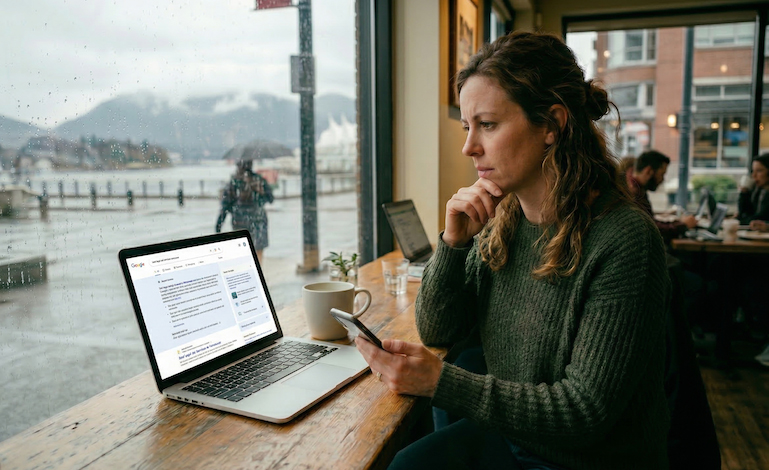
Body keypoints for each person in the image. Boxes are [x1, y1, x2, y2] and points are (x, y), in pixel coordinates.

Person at [354, 31, 670, 469]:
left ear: (552, 125)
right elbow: (438, 330)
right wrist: (453, 244)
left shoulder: (623, 240)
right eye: (468, 127)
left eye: (488, 124)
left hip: (578, 459)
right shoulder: (505, 220)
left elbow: (585, 412)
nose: (469, 147)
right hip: (517, 436)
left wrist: (442, 382)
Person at [626, 150, 697, 244]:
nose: (662, 180)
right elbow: (651, 229)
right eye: (662, 174)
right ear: (649, 171)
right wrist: (683, 225)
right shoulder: (634, 193)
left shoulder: (634, 186)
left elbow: (650, 222)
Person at [215, 159, 274, 261]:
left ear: (238, 166)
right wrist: (260, 194)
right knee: (258, 253)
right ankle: (259, 274)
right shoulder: (259, 180)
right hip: (259, 220)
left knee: (243, 255)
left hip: (240, 222)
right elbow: (270, 199)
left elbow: (225, 206)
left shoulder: (234, 183)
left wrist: (219, 226)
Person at [738, 153, 769, 228]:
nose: (753, 175)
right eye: (753, 171)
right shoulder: (759, 192)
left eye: (759, 171)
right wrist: (744, 192)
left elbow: (759, 218)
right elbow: (746, 214)